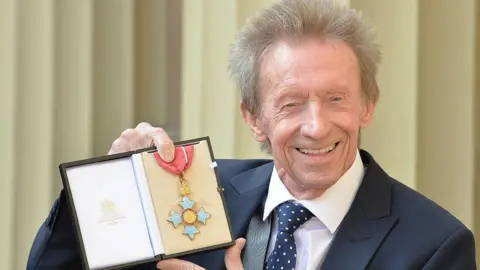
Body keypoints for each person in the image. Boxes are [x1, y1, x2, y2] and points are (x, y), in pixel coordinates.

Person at [27, 0, 476, 269]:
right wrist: (112, 186)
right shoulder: (193, 192)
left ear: (368, 104)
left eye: (336, 99)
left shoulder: (434, 246)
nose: (317, 125)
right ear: (253, 117)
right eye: (291, 103)